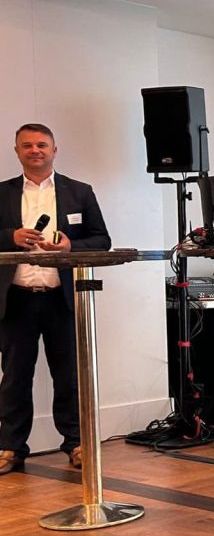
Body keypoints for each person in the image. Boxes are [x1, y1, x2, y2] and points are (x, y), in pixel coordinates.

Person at [0, 123, 111, 474]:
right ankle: (10, 447)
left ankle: (76, 444)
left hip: (62, 299)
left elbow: (102, 240)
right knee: (14, 378)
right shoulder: (1, 193)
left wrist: (69, 247)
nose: (35, 150)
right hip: (15, 300)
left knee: (69, 377)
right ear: (17, 151)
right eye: (27, 145)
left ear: (54, 150)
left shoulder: (79, 192)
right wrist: (10, 236)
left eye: (42, 145)